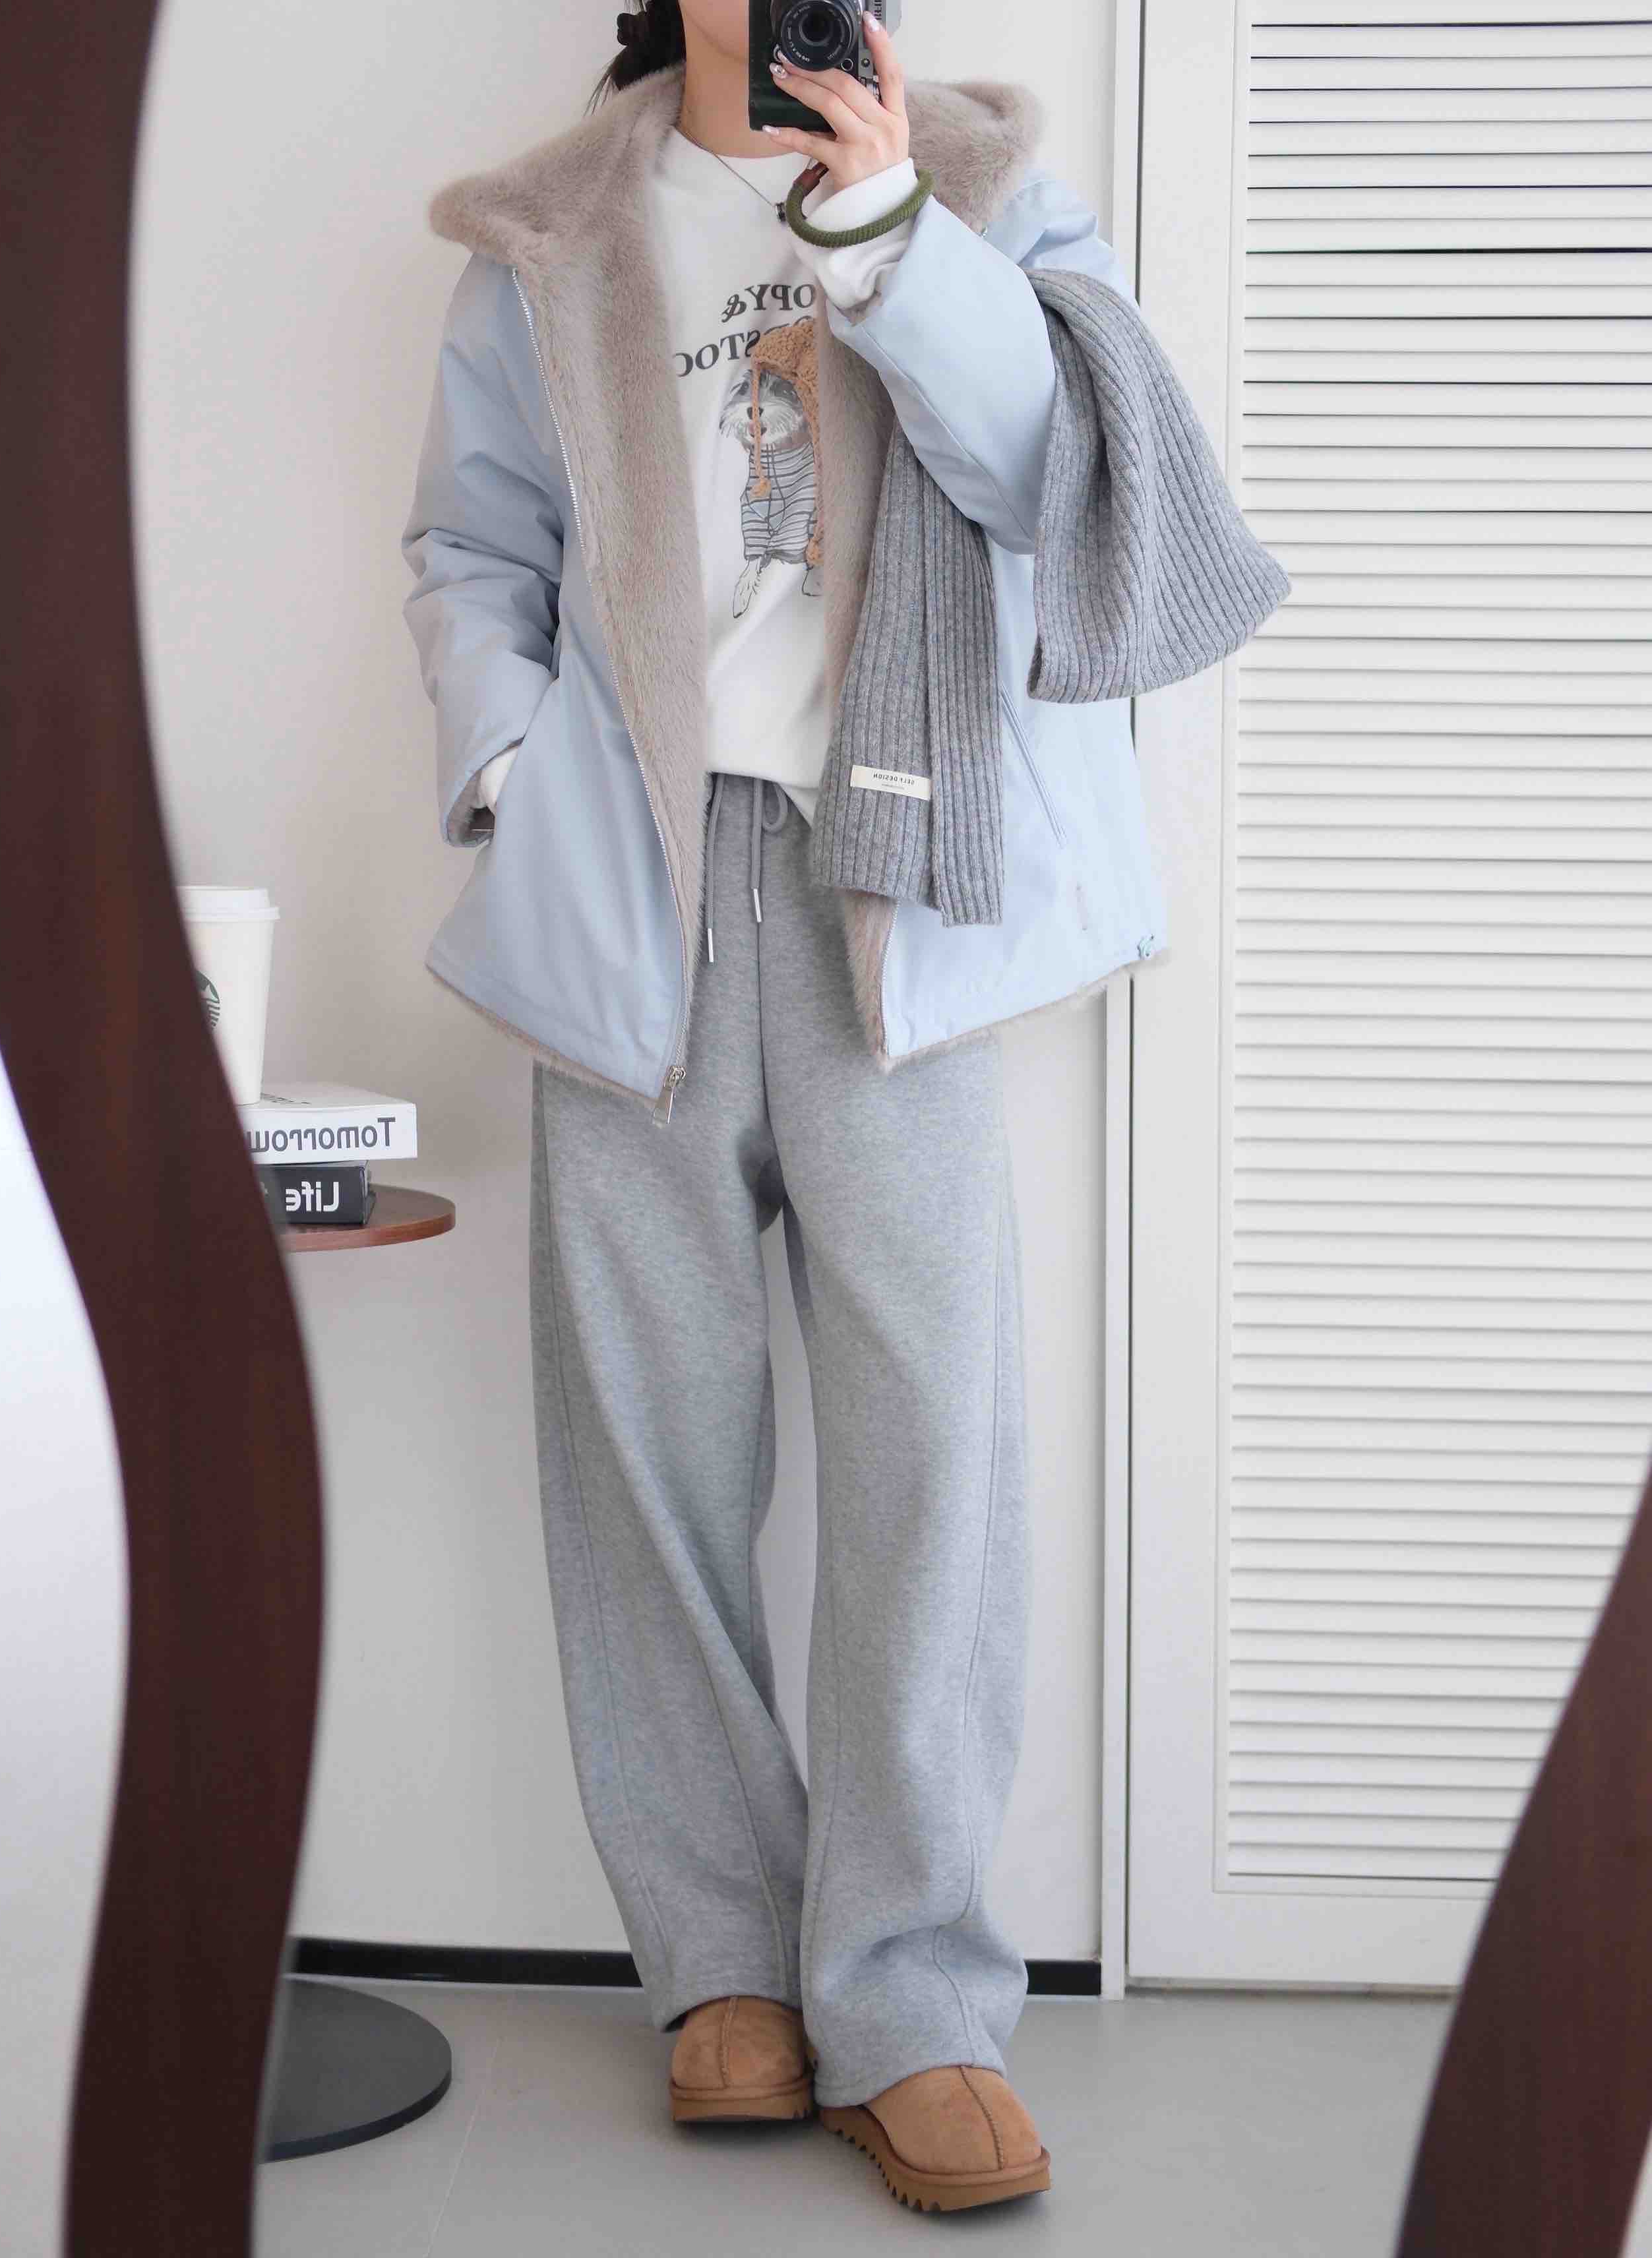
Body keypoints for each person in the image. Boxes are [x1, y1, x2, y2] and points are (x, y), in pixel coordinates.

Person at [401, 0, 1167, 2215]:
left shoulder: (996, 190)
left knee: (935, 1457)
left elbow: (1054, 485)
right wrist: (513, 771)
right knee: (647, 1452)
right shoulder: (551, 229)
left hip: (887, 878)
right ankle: (720, 1968)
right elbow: (471, 547)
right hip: (634, 877)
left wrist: (889, 220)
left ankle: (909, 2000)